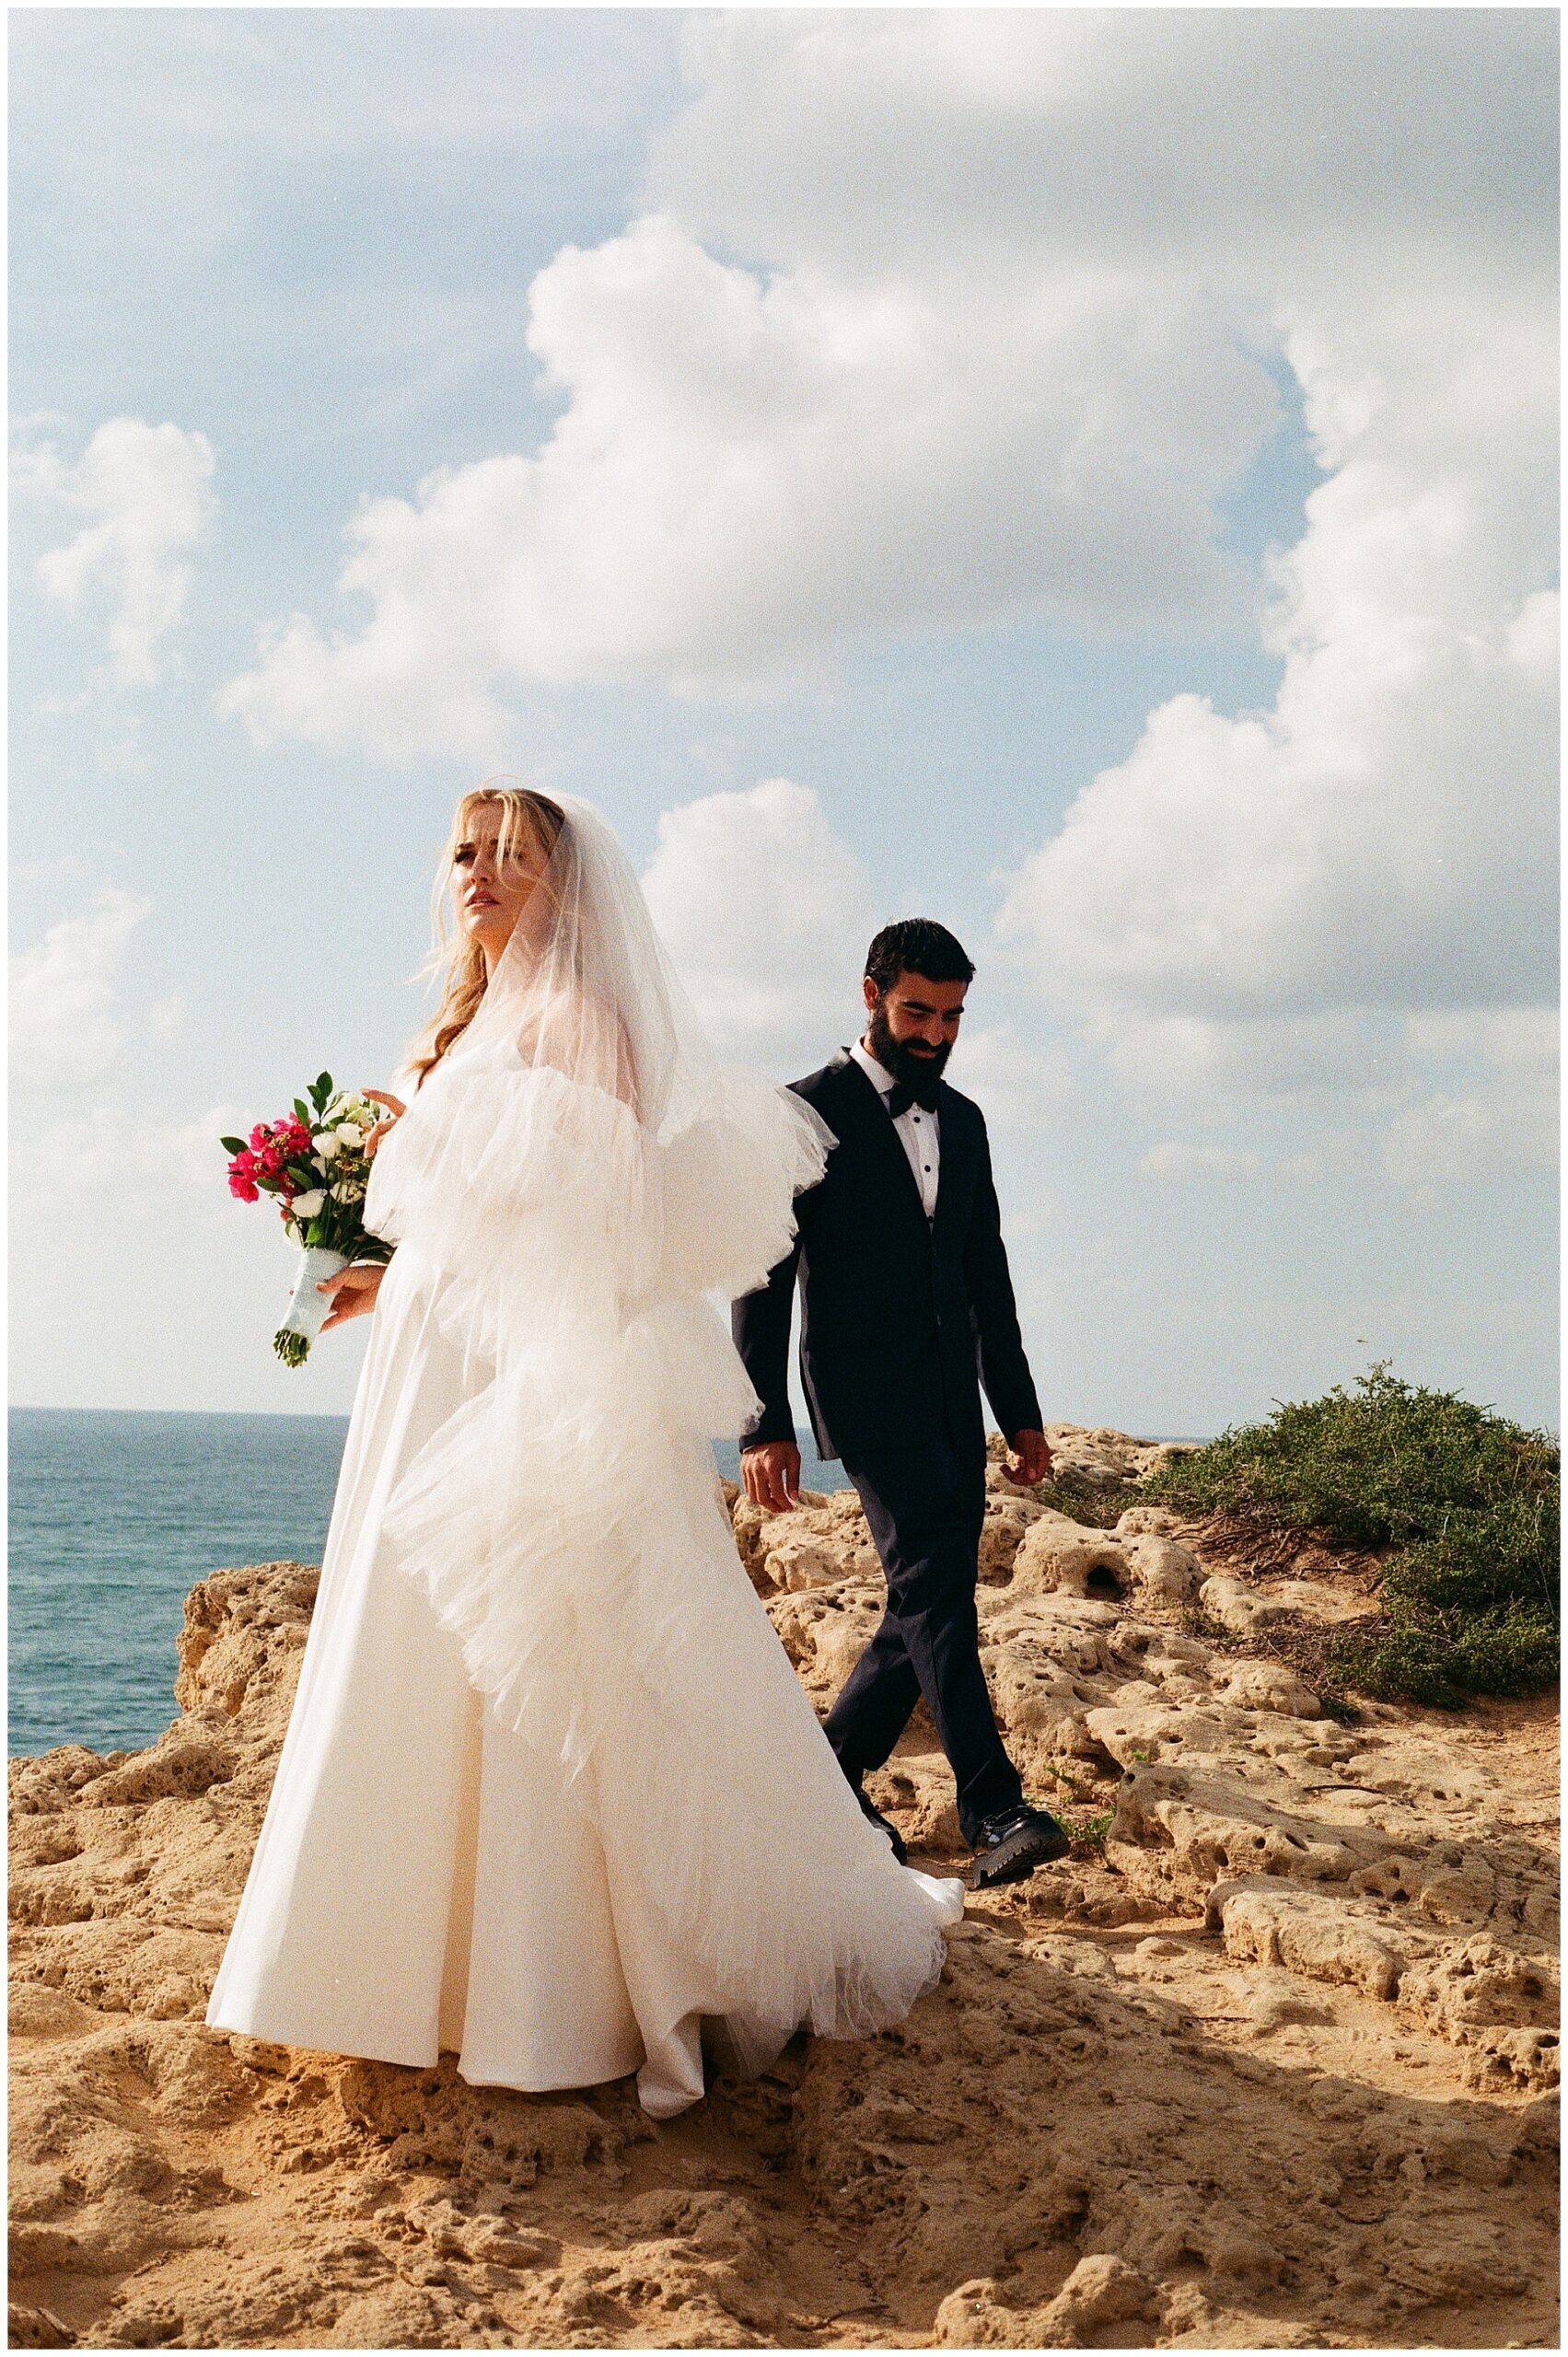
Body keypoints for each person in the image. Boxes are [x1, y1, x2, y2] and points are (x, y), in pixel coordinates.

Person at [206, 786, 963, 2119]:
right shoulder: (463, 1025)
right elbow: (466, 1219)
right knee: (416, 1642)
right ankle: (393, 1969)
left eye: (508, 857)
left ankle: (547, 1985)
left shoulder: (586, 1024)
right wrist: (381, 1278)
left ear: (567, 885)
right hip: (427, 1358)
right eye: (462, 852)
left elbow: (603, 1226)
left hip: (519, 1373)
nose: (477, 875)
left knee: (555, 1649)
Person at [732, 920, 1071, 1888]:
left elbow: (983, 1272)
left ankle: (828, 1774)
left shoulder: (962, 1119)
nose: (934, 1034)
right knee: (931, 1579)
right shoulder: (800, 1115)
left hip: (947, 1396)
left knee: (924, 1595)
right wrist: (762, 1422)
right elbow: (763, 1279)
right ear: (871, 993)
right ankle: (991, 1804)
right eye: (917, 1011)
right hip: (860, 1393)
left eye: (952, 1016)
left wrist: (1017, 1408)